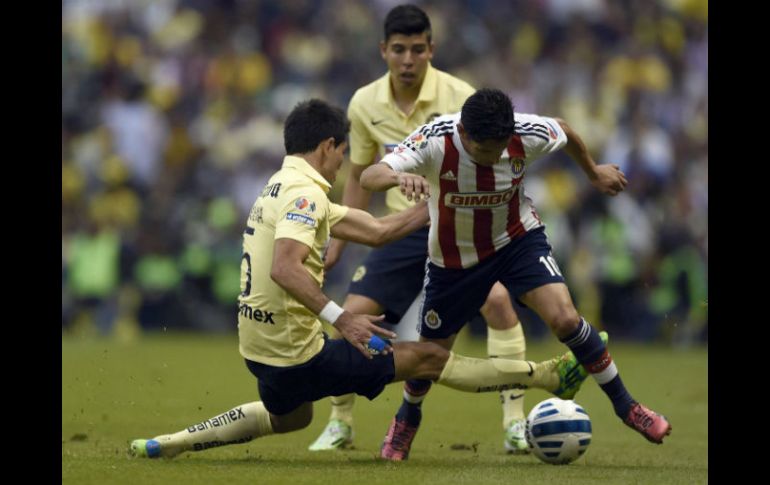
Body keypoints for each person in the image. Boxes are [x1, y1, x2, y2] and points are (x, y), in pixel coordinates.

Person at [129, 98, 593, 460]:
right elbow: (285, 267)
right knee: (428, 357)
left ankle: (172, 441)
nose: (343, 164)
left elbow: (378, 231)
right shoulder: (305, 194)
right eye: (343, 153)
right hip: (299, 355)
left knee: (290, 418)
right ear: (329, 145)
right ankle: (548, 376)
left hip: (258, 349)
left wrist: (439, 197)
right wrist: (344, 320)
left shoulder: (279, 185)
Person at [360, 88, 672, 461]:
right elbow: (370, 175)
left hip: (517, 240)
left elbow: (565, 129)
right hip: (455, 259)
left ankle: (628, 408)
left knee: (565, 318)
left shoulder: (525, 133)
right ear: (464, 132)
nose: (493, 158)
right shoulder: (435, 140)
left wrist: (593, 173)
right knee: (431, 355)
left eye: (499, 149)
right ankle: (407, 417)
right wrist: (398, 179)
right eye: (484, 151)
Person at [310, 4, 532, 455]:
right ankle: (341, 423)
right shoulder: (364, 103)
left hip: (452, 225)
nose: (407, 60)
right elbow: (357, 176)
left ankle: (514, 422)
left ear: (431, 49)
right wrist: (340, 238)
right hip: (398, 230)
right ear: (383, 51)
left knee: (498, 303)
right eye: (398, 50)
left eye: (416, 49)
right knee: (349, 317)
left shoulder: (460, 97)